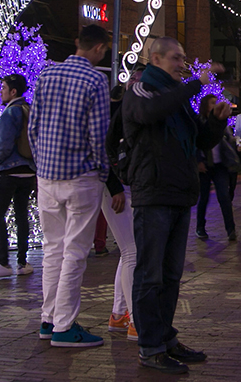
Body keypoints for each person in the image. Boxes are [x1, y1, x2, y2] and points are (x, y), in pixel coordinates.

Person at [122, 37, 231, 374]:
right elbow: (151, 112)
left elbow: (200, 140)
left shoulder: (177, 97)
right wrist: (194, 85)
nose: (183, 64)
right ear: (155, 58)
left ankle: (166, 339)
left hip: (178, 194)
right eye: (176, 58)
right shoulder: (142, 88)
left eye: (184, 58)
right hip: (153, 193)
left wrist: (215, 120)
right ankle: (150, 346)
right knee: (150, 275)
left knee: (170, 275)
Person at [29, 24, 112, 348]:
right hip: (80, 176)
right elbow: (97, 134)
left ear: (78, 43)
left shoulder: (46, 75)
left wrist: (42, 164)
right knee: (75, 253)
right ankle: (64, 325)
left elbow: (33, 127)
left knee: (53, 251)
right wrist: (101, 170)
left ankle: (49, 319)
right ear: (99, 49)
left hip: (47, 176)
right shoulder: (95, 80)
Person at [0, 74, 37, 279]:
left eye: (3, 87)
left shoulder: (10, 112)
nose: (0, 91)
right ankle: (23, 261)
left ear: (13, 91)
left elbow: (4, 144)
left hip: (9, 171)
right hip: (28, 172)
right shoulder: (29, 110)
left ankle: (3, 261)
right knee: (21, 215)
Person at [103, 83, 139, 342]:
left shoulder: (131, 109)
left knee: (128, 250)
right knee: (132, 251)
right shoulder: (114, 110)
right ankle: (136, 320)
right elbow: (106, 149)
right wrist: (114, 186)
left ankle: (119, 314)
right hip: (115, 186)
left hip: (121, 185)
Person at [195, 94, 241, 241]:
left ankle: (231, 229)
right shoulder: (199, 122)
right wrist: (197, 161)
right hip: (205, 165)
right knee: (203, 198)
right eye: (212, 103)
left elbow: (229, 140)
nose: (215, 105)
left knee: (224, 197)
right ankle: (200, 227)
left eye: (216, 102)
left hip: (219, 165)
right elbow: (196, 143)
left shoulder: (222, 122)